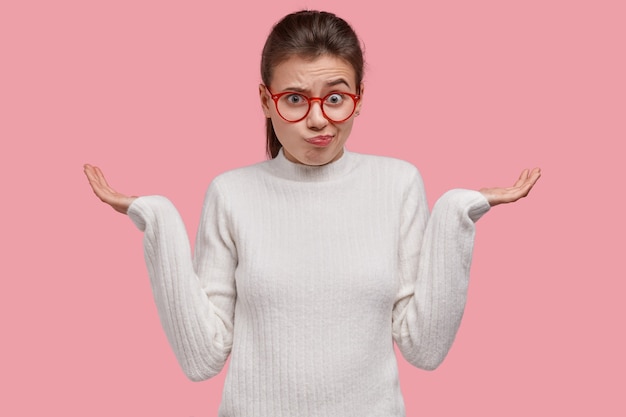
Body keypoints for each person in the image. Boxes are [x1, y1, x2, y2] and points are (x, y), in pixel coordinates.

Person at [84, 10, 540, 417]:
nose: (319, 120)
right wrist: (159, 219)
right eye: (296, 99)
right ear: (266, 101)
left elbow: (424, 348)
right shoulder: (231, 193)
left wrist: (454, 213)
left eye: (335, 98)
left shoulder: (397, 184)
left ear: (359, 99)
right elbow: (202, 358)